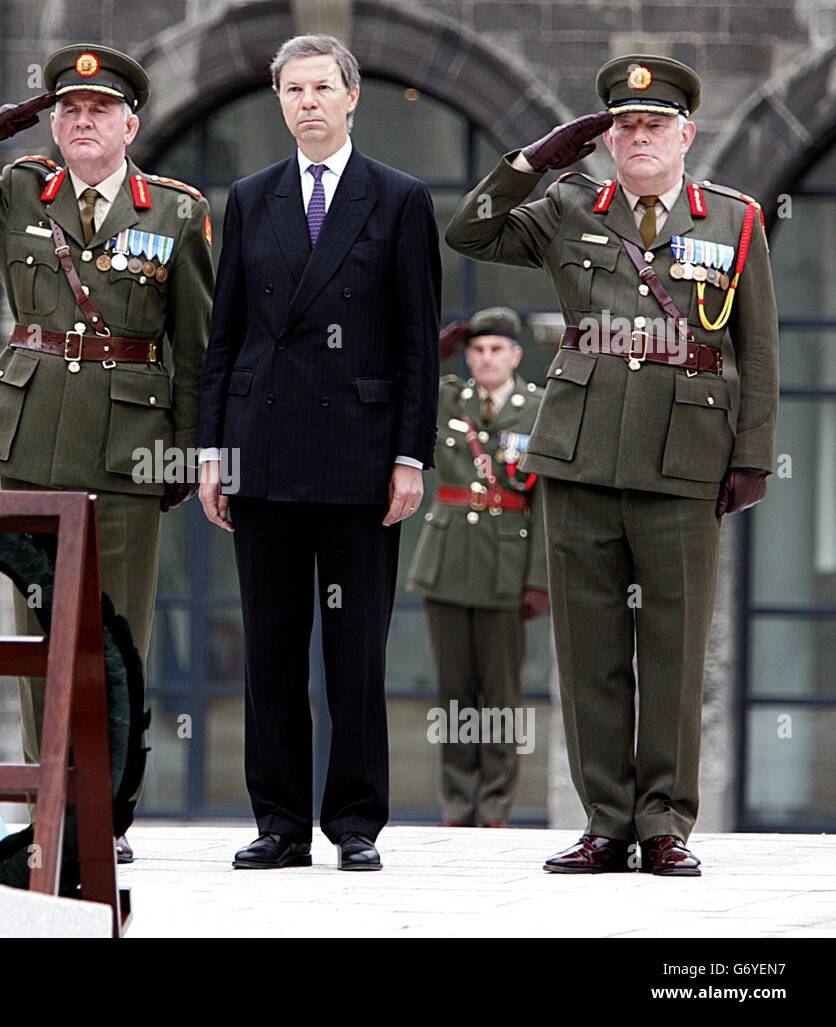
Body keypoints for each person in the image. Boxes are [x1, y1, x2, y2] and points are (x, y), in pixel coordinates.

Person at [446, 55, 778, 876]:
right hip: (581, 452)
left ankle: (663, 821)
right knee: (587, 645)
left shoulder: (732, 222)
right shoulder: (567, 205)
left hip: (684, 458)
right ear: (606, 138)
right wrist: (534, 160)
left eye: (654, 125)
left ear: (684, 135)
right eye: (624, 126)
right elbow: (471, 230)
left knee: (673, 644)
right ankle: (605, 820)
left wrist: (753, 456)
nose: (638, 138)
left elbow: (759, 351)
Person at [0, 44, 214, 863]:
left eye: (99, 110)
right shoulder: (18, 192)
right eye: (68, 109)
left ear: (130, 123)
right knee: (42, 632)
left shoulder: (174, 212)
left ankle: (106, 813)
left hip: (129, 450)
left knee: (116, 637)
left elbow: (198, 348)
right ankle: (53, 794)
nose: (81, 122)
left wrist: (184, 452)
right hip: (29, 440)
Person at [196, 34, 441, 871]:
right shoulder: (251, 196)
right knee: (270, 647)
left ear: (351, 98)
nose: (306, 102)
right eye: (291, 90)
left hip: (360, 458)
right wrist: (211, 452)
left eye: (320, 88)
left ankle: (356, 822)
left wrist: (411, 455)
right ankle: (279, 821)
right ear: (281, 103)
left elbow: (418, 343)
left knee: (353, 649)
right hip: (263, 449)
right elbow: (222, 336)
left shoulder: (399, 198)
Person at [405, 307, 549, 829]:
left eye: (496, 349)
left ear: (515, 355)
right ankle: (457, 803)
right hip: (447, 562)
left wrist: (538, 580)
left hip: (506, 565)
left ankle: (494, 806)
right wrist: (430, 355)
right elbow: (404, 388)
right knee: (454, 691)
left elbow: (546, 502)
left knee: (501, 696)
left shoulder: (536, 409)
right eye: (477, 350)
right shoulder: (449, 398)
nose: (486, 359)